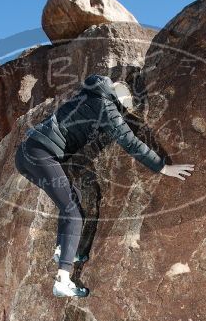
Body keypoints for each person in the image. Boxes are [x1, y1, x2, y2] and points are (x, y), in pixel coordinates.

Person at [14, 74, 195, 297]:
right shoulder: (107, 108)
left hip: (24, 155)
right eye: (123, 107)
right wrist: (163, 168)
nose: (121, 112)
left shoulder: (88, 92)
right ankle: (62, 279)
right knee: (73, 212)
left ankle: (65, 250)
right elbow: (130, 142)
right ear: (119, 100)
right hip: (41, 154)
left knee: (72, 198)